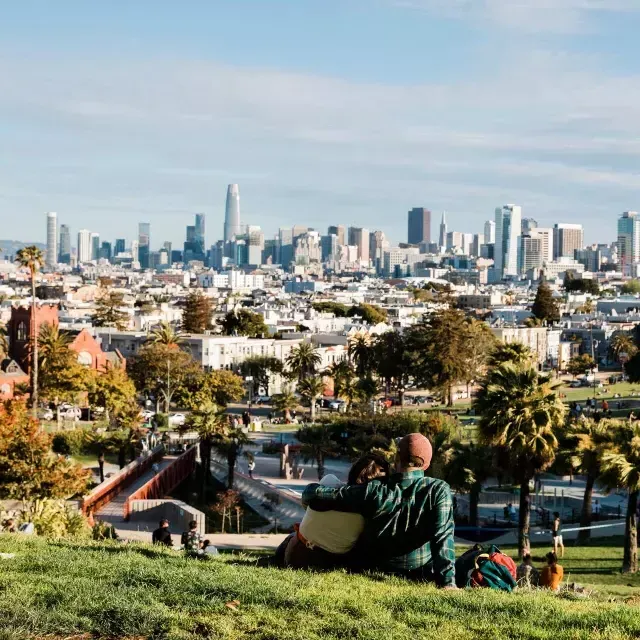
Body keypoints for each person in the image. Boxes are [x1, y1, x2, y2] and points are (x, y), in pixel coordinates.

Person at [302, 433, 457, 588]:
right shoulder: (438, 490)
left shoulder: (375, 490)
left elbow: (317, 493)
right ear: (426, 465)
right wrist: (448, 583)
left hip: (375, 569)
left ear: (397, 458)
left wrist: (312, 492)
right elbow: (443, 537)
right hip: (419, 572)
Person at [278, 454, 389, 570]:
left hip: (297, 556)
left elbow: (307, 505)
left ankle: (274, 560)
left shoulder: (329, 482)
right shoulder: (371, 511)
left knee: (293, 536)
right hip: (330, 563)